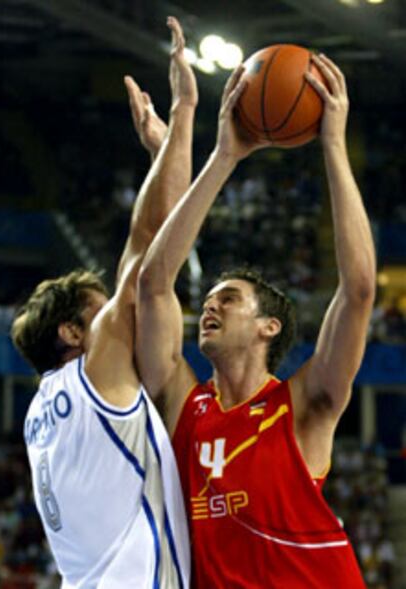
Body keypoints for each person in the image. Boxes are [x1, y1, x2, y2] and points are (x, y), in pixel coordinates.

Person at [136, 55, 375, 588]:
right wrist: (222, 156)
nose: (210, 306)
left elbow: (358, 291)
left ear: (268, 327)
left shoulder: (303, 406)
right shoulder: (184, 407)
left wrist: (333, 145)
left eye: (229, 298)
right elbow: (152, 287)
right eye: (211, 299)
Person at [11, 17, 197, 589]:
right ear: (71, 333)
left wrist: (165, 157)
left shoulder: (39, 414)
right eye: (102, 308)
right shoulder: (94, 377)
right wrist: (183, 120)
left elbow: (153, 250)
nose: (120, 312)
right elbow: (146, 248)